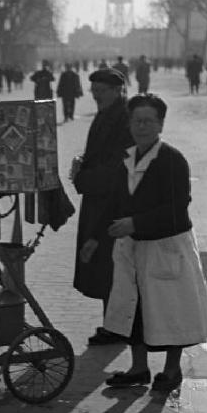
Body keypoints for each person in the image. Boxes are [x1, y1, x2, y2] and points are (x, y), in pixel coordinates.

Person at [81, 93, 207, 390]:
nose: (142, 126)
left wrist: (136, 222)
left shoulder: (172, 160)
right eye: (137, 121)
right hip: (133, 247)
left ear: (161, 124)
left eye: (149, 121)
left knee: (171, 310)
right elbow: (114, 202)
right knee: (134, 308)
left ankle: (171, 371)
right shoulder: (126, 160)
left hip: (166, 247)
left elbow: (177, 208)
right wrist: (95, 237)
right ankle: (138, 368)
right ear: (129, 124)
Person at [70, 68, 133, 345]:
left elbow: (119, 166)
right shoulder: (108, 112)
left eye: (101, 92)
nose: (96, 97)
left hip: (112, 201)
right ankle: (112, 323)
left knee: (112, 264)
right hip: (98, 197)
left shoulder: (124, 117)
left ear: (117, 90)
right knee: (103, 265)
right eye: (93, 93)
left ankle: (118, 327)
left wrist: (85, 177)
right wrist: (83, 162)